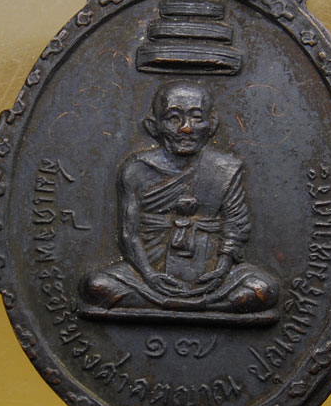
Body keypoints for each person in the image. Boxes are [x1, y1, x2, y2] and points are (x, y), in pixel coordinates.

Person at [79, 81, 279, 320]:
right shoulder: (137, 169)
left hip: (212, 275)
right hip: (148, 275)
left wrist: (221, 270)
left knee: (264, 290)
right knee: (96, 286)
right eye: (173, 119)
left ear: (212, 124)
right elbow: (129, 233)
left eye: (196, 118)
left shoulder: (225, 168)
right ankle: (204, 307)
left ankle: (175, 305)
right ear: (153, 125)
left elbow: (235, 226)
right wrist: (149, 275)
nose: (186, 128)